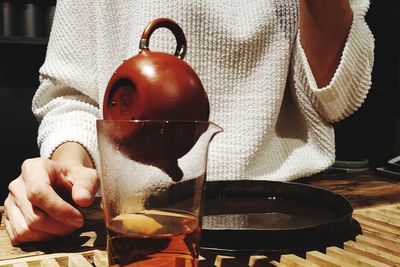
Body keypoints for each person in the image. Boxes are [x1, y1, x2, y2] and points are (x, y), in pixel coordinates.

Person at [4, 0, 374, 245]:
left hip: (292, 218)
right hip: (135, 224)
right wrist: (69, 172)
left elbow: (335, 100)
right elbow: (74, 97)